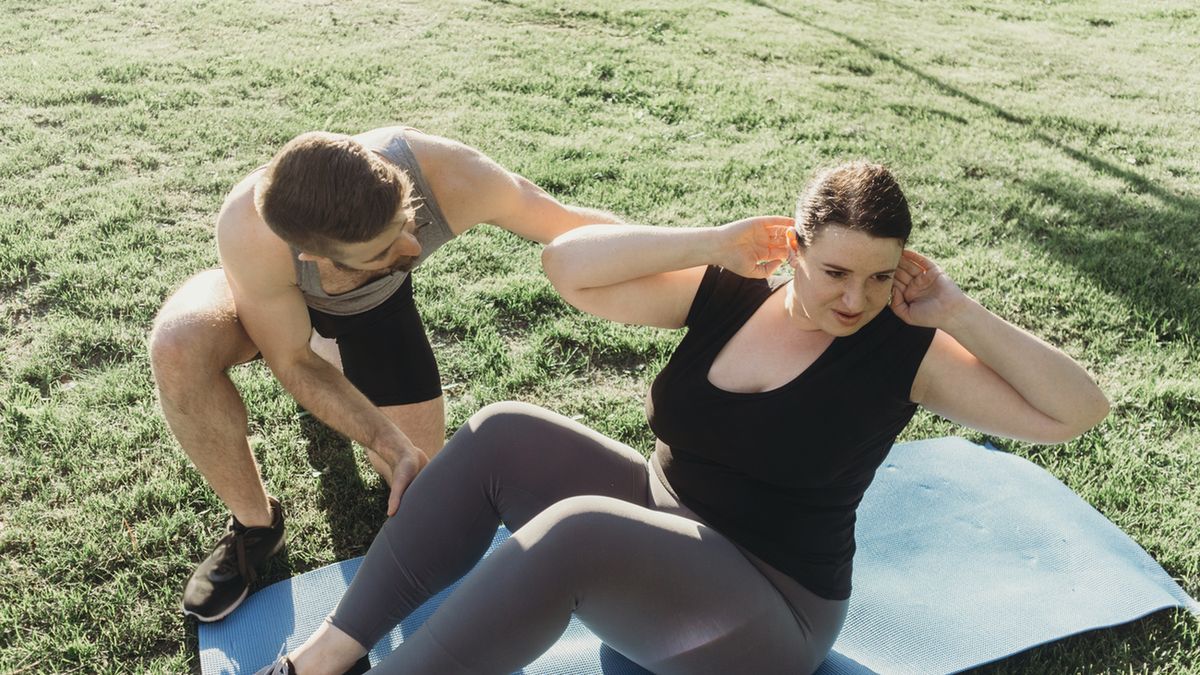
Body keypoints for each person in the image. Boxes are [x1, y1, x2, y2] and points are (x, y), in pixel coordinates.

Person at [253, 162, 1110, 674]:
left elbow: (1076, 413)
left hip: (773, 611)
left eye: (880, 277)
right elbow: (567, 267)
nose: (857, 298)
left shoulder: (903, 351)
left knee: (579, 533)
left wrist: (956, 311)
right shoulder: (733, 288)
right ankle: (331, 652)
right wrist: (707, 241)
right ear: (793, 248)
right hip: (669, 528)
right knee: (504, 431)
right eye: (838, 271)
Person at [148, 126, 621, 622]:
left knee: (422, 493)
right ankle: (255, 527)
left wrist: (699, 267)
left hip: (375, 312)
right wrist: (386, 438)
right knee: (178, 348)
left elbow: (574, 227)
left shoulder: (450, 177)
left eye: (408, 222)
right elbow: (290, 358)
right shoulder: (253, 232)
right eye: (382, 252)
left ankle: (343, 349)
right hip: (271, 307)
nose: (412, 250)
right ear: (313, 254)